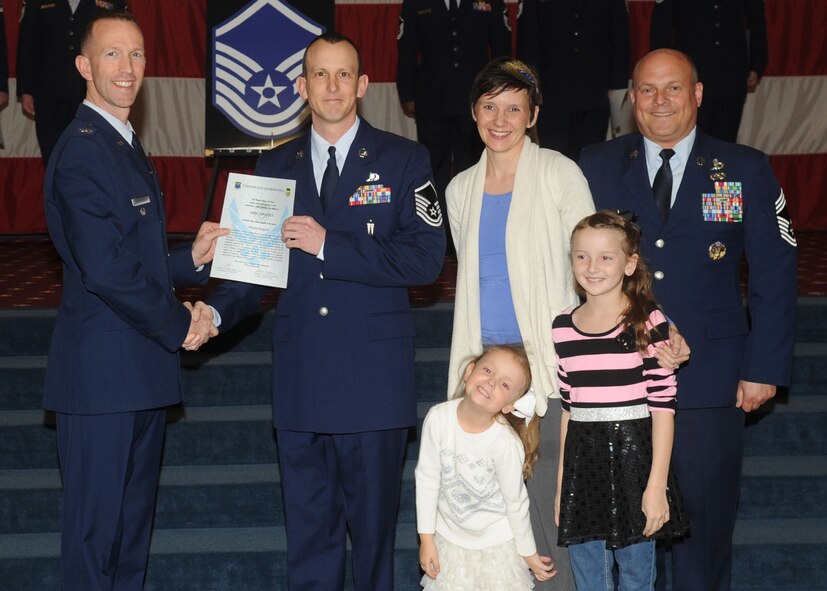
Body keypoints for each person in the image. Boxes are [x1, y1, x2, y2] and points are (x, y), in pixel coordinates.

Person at [199, 33, 446, 590]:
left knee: (374, 549)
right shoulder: (273, 164)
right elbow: (251, 271)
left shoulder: (405, 159)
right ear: (301, 87)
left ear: (362, 85)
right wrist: (212, 315)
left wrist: (330, 244)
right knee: (309, 545)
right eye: (319, 74)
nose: (332, 86)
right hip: (303, 378)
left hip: (373, 383)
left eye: (343, 74)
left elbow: (425, 259)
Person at [446, 56, 689, 591]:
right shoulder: (459, 189)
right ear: (474, 112)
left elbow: (597, 264)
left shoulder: (559, 173)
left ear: (533, 115)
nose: (501, 119)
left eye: (514, 108)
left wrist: (658, 327)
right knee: (493, 516)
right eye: (489, 107)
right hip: (486, 374)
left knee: (557, 518)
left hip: (552, 370)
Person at [579, 49, 797, 590]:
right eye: (647, 89)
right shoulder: (596, 164)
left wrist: (763, 367)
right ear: (632, 98)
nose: (660, 101)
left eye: (673, 88)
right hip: (618, 376)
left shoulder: (744, 168)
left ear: (697, 94)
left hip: (711, 373)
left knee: (704, 524)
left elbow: (775, 272)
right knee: (627, 531)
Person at [43, 12, 227, 590]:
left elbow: (131, 257)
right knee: (95, 548)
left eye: (138, 54)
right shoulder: (83, 149)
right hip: (102, 382)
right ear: (84, 66)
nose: (128, 68)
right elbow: (106, 271)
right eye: (112, 54)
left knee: (127, 547)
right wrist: (179, 323)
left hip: (137, 374)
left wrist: (189, 259)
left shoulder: (120, 143)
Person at [552, 211, 690, 590]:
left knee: (636, 575)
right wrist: (562, 485)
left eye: (606, 257)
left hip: (635, 462)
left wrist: (656, 486)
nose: (592, 267)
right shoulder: (562, 327)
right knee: (588, 573)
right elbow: (568, 411)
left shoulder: (648, 322)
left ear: (629, 264)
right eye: (582, 256)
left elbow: (663, 408)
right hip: (583, 465)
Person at [416, 345, 556, 590]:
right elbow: (427, 479)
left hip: (498, 543)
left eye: (505, 385)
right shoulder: (438, 419)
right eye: (488, 371)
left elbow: (516, 502)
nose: (492, 382)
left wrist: (528, 553)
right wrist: (426, 539)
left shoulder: (505, 443)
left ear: (509, 405)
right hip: (449, 537)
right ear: (469, 371)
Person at [396, 0, 511, 219]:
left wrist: (501, 92)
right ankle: (435, 225)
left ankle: (471, 222)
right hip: (432, 99)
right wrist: (407, 93)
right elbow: (407, 49)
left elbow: (501, 48)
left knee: (473, 167)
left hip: (477, 99)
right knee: (432, 168)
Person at [16, 0, 127, 164]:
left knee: (93, 154)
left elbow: (121, 40)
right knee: (53, 155)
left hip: (94, 92)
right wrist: (25, 90)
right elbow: (27, 41)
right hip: (48, 94)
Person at [516, 0, 630, 160]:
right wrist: (531, 86)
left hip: (595, 91)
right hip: (552, 93)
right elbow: (528, 41)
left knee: (591, 158)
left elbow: (620, 37)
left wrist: (617, 86)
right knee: (553, 158)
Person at [650, 0, 768, 144]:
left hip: (731, 73)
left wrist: (756, 65)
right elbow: (662, 26)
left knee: (726, 141)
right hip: (690, 73)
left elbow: (756, 22)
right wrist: (664, 71)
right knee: (689, 140)